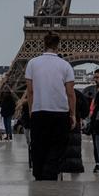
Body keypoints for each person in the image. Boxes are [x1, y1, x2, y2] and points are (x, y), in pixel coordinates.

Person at [25, 32, 76, 181]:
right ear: (57, 45)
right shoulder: (65, 65)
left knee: (38, 146)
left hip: (39, 112)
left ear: (44, 44)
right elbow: (71, 93)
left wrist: (31, 111)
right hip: (60, 113)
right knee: (58, 146)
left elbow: (30, 91)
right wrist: (72, 114)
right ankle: (51, 173)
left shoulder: (32, 63)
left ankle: (39, 174)